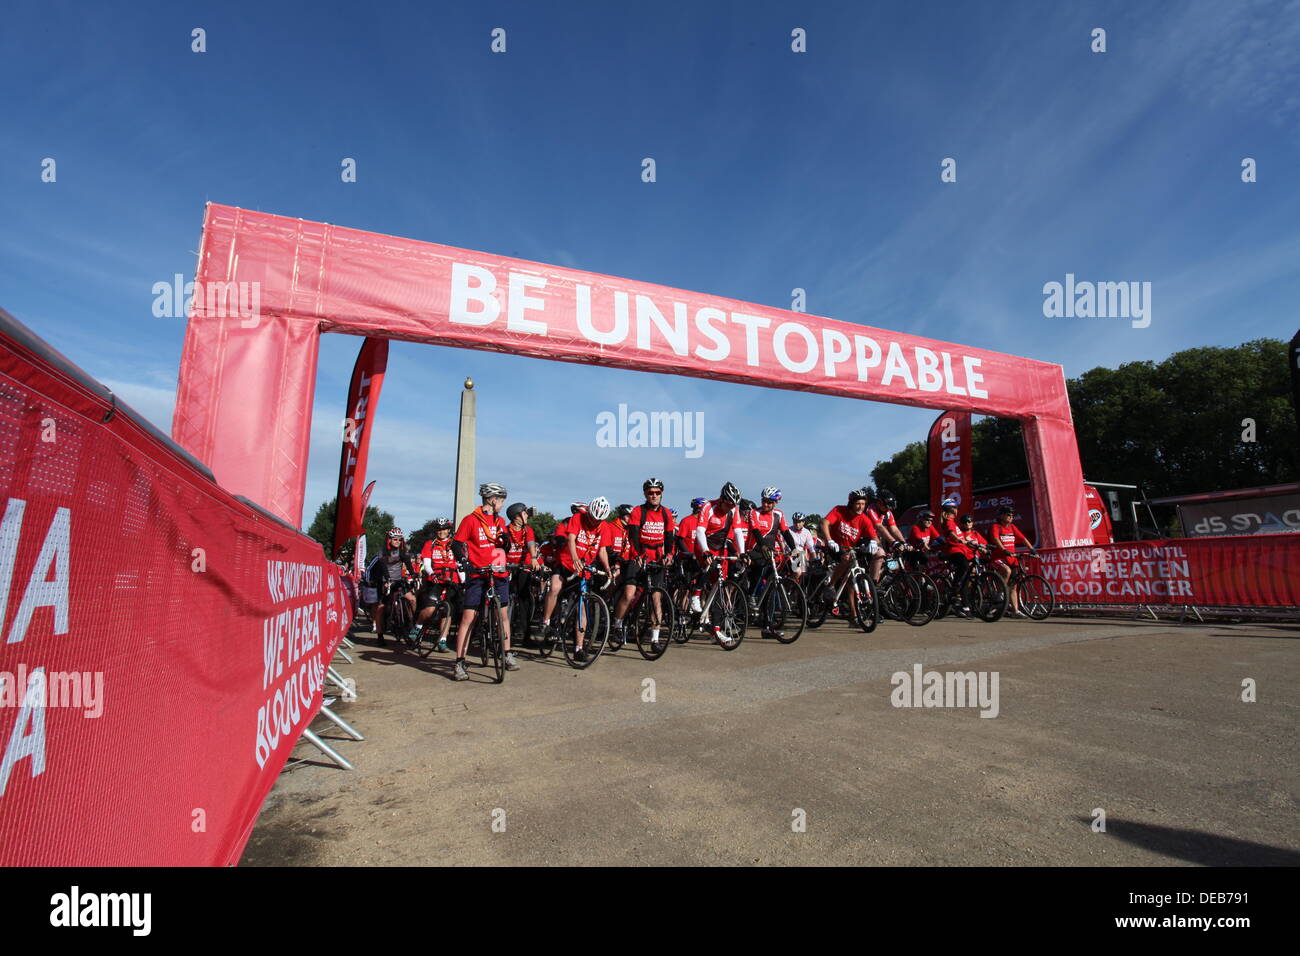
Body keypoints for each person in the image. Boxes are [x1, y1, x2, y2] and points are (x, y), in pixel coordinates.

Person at [450, 482, 519, 680]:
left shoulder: (499, 523)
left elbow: (505, 544)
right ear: (492, 500)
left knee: (503, 615)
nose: (503, 505)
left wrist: (506, 542)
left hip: (498, 573)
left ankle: (506, 653)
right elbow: (457, 545)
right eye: (502, 501)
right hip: (477, 573)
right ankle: (460, 662)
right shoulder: (471, 520)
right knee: (468, 618)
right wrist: (464, 562)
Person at [541, 496, 614, 662]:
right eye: (593, 519)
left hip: (584, 569)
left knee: (582, 606)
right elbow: (571, 539)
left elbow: (602, 550)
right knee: (555, 587)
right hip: (566, 563)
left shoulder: (605, 528)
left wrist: (608, 568)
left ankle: (579, 648)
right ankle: (545, 622)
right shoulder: (577, 518)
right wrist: (574, 558)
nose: (595, 523)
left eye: (599, 520)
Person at [613, 478, 676, 648]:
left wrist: (669, 554)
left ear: (661, 494)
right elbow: (633, 536)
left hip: (656, 557)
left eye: (657, 493)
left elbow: (670, 537)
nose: (654, 495)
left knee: (656, 598)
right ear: (645, 494)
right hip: (638, 555)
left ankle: (655, 638)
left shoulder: (666, 513)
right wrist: (639, 555)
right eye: (650, 493)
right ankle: (617, 625)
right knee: (629, 593)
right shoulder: (638, 511)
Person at [691, 483, 748, 642]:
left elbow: (737, 531)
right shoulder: (708, 507)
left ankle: (715, 631)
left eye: (733, 505)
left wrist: (742, 553)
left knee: (719, 589)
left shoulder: (733, 510)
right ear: (722, 499)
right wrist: (705, 551)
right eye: (729, 504)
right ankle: (696, 594)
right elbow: (700, 531)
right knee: (709, 564)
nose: (731, 507)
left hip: (720, 548)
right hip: (704, 545)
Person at [820, 488, 878, 616]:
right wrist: (829, 540)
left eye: (863, 504)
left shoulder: (864, 519)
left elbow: (874, 536)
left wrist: (874, 542)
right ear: (851, 503)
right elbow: (824, 523)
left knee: (853, 581)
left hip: (850, 550)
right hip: (834, 547)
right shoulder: (839, 510)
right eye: (858, 503)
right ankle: (831, 586)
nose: (860, 507)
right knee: (846, 558)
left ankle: (854, 615)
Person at [745, 487, 797, 612]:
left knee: (774, 577)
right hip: (754, 549)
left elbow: (785, 532)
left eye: (769, 502)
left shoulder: (778, 514)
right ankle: (751, 595)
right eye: (764, 501)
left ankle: (768, 615)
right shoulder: (754, 513)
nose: (765, 504)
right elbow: (756, 531)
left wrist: (794, 548)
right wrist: (763, 547)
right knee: (760, 565)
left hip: (770, 551)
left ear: (776, 503)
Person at [415, 518, 460, 652]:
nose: (441, 532)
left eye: (444, 529)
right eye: (439, 529)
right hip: (435, 579)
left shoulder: (455, 544)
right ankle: (417, 626)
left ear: (448, 530)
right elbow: (427, 564)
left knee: (448, 611)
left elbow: (459, 563)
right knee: (430, 610)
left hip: (452, 580)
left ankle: (442, 640)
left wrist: (463, 581)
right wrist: (432, 574)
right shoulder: (430, 544)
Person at [365, 528, 417, 645]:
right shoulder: (383, 551)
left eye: (400, 539)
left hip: (398, 581)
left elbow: (408, 563)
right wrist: (387, 580)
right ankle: (380, 635)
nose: (398, 541)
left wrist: (414, 575)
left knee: (412, 599)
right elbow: (383, 566)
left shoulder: (402, 550)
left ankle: (413, 624)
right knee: (381, 608)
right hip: (384, 581)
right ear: (389, 540)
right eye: (395, 539)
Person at [988, 506, 1038, 617]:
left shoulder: (1012, 527)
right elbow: (996, 539)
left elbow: (1023, 539)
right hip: (998, 558)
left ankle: (1015, 611)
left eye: (1012, 515)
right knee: (1007, 571)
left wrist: (1032, 549)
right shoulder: (995, 527)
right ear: (1001, 516)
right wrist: (1004, 550)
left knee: (1013, 586)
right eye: (1008, 514)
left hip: (1012, 559)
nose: (1011, 517)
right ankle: (1000, 594)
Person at [938, 498, 976, 614]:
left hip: (961, 550)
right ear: (952, 510)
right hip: (954, 550)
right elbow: (951, 534)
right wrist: (960, 540)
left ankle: (963, 599)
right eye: (955, 508)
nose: (957, 510)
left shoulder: (953, 522)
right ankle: (955, 588)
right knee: (964, 566)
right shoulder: (949, 521)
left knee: (967, 572)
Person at [866, 489, 910, 581]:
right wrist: (893, 542)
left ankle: (886, 580)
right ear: (879, 503)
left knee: (892, 559)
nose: (888, 510)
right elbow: (879, 527)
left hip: (878, 538)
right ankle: (874, 584)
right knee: (880, 555)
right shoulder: (871, 509)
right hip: (867, 538)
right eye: (886, 507)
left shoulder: (888, 512)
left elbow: (894, 529)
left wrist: (903, 542)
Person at [787, 512, 817, 581]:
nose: (797, 524)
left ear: (803, 522)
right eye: (795, 521)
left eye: (799, 522)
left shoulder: (807, 532)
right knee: (798, 572)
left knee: (805, 574)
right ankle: (788, 586)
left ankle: (797, 590)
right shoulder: (788, 530)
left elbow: (811, 548)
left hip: (801, 555)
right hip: (790, 555)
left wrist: (815, 559)